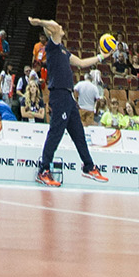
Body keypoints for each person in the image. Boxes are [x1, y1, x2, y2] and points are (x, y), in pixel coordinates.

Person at [27, 16, 110, 187]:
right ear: (52, 33)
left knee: (79, 134)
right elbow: (55, 27)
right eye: (57, 28)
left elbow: (81, 63)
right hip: (59, 95)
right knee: (56, 133)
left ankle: (89, 167)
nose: (61, 28)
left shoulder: (63, 50)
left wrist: (102, 56)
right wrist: (39, 22)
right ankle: (43, 170)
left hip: (69, 97)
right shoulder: (53, 45)